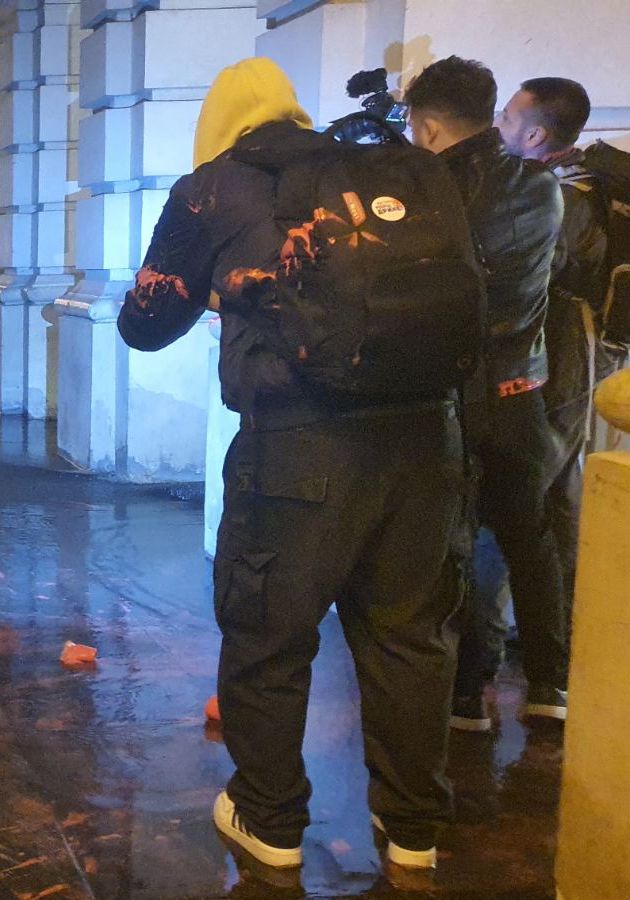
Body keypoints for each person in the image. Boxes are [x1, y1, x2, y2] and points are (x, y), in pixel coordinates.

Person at [120, 58, 476, 872]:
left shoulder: (213, 188)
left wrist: (210, 291)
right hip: (427, 444)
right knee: (410, 638)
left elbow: (145, 324)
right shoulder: (391, 169)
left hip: (298, 450)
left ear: (218, 128)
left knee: (269, 632)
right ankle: (414, 831)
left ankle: (270, 821)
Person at [404, 58, 570, 730]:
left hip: (454, 397)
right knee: (532, 541)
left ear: (431, 125)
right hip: (521, 389)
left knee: (458, 542)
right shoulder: (543, 187)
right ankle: (550, 686)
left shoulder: (425, 188)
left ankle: (467, 695)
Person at [494, 76, 609, 646]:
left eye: (509, 116)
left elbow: (541, 272)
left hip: (561, 353)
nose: (497, 123)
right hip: (568, 350)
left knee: (528, 492)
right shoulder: (565, 183)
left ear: (536, 133)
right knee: (555, 492)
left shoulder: (557, 193)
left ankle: (532, 641)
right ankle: (560, 639)